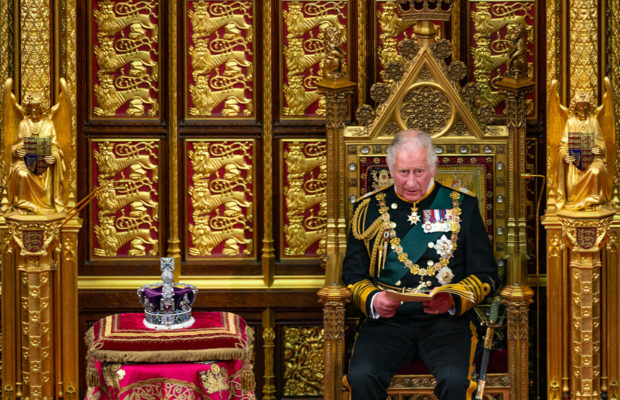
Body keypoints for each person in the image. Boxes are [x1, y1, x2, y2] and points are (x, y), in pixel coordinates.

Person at [342, 130, 497, 400]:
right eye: (403, 172)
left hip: (445, 323)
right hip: (387, 324)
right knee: (362, 375)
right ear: (390, 168)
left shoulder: (463, 206)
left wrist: (452, 300)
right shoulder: (366, 211)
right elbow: (353, 275)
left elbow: (486, 275)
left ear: (434, 167)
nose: (411, 182)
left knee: (455, 380)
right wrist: (374, 300)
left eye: (419, 172)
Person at [6, 97, 66, 214]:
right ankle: (23, 206)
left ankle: (47, 204)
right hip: (24, 162)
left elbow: (55, 146)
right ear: (28, 109)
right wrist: (17, 151)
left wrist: (53, 156)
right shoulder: (23, 124)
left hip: (44, 164)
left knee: (47, 172)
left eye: (36, 108)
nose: (34, 111)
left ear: (41, 108)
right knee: (21, 173)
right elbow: (14, 147)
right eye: (31, 108)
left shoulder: (49, 124)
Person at [554, 92, 609, 211]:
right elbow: (564, 145)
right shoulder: (570, 122)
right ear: (575, 106)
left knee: (596, 171)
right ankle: (575, 201)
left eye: (585, 106)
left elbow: (601, 142)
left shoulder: (593, 121)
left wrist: (598, 148)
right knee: (573, 179)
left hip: (593, 159)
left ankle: (593, 202)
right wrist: (565, 155)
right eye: (580, 105)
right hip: (576, 162)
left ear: (589, 107)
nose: (582, 108)